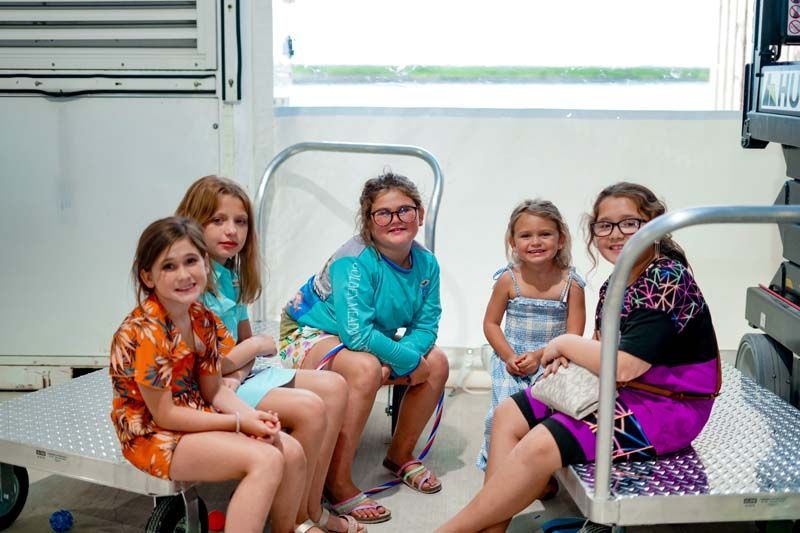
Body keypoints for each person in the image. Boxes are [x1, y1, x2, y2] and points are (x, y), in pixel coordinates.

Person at [438, 182, 720, 533]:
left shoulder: (666, 279)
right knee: (508, 413)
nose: (616, 234)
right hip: (627, 392)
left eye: (629, 222)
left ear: (655, 224)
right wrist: (568, 357)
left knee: (541, 443)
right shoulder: (616, 281)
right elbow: (602, 347)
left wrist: (565, 345)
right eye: (605, 225)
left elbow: (626, 365)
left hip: (671, 408)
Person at [176, 176, 362, 533]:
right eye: (217, 220)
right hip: (210, 388)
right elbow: (219, 362)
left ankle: (309, 508)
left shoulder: (230, 274)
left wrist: (247, 356)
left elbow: (250, 347)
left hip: (238, 376)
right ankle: (291, 522)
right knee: (310, 407)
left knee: (336, 386)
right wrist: (253, 350)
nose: (231, 230)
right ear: (193, 223)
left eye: (240, 221)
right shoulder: (192, 280)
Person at [109, 216, 307, 533]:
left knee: (292, 451)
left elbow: (214, 391)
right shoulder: (148, 332)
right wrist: (239, 423)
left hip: (195, 411)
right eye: (169, 267)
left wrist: (254, 417)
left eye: (191, 261)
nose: (184, 275)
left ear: (205, 262)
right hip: (153, 432)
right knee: (265, 460)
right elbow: (165, 415)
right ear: (148, 277)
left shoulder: (201, 318)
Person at [279, 171, 450, 524]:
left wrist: (410, 359)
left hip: (366, 337)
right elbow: (356, 336)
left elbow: (426, 323)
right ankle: (337, 481)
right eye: (383, 213)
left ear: (419, 214)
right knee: (365, 367)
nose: (395, 220)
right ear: (368, 222)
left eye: (404, 210)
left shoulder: (426, 263)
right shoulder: (354, 260)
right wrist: (399, 358)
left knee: (438, 363)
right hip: (310, 332)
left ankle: (400, 455)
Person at [477, 199, 585, 472]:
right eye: (525, 235)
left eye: (545, 234)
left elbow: (574, 334)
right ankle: (501, 471)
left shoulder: (570, 284)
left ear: (560, 240)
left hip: (553, 361)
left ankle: (539, 472)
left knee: (546, 420)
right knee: (501, 416)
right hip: (511, 361)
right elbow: (491, 323)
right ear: (513, 242)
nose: (535, 242)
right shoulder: (508, 280)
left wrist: (541, 356)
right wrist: (510, 356)